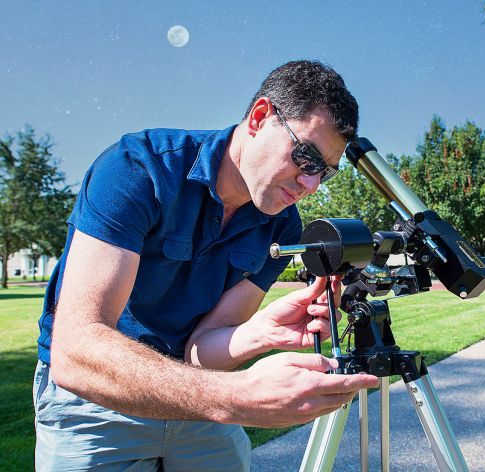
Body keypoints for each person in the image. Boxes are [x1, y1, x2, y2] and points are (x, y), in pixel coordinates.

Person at [34, 60, 379, 470]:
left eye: (325, 171)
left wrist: (257, 332)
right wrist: (240, 397)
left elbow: (201, 349)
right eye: (306, 158)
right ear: (259, 117)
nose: (311, 185)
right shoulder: (139, 168)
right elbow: (75, 351)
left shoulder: (283, 225)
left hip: (200, 401)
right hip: (98, 398)